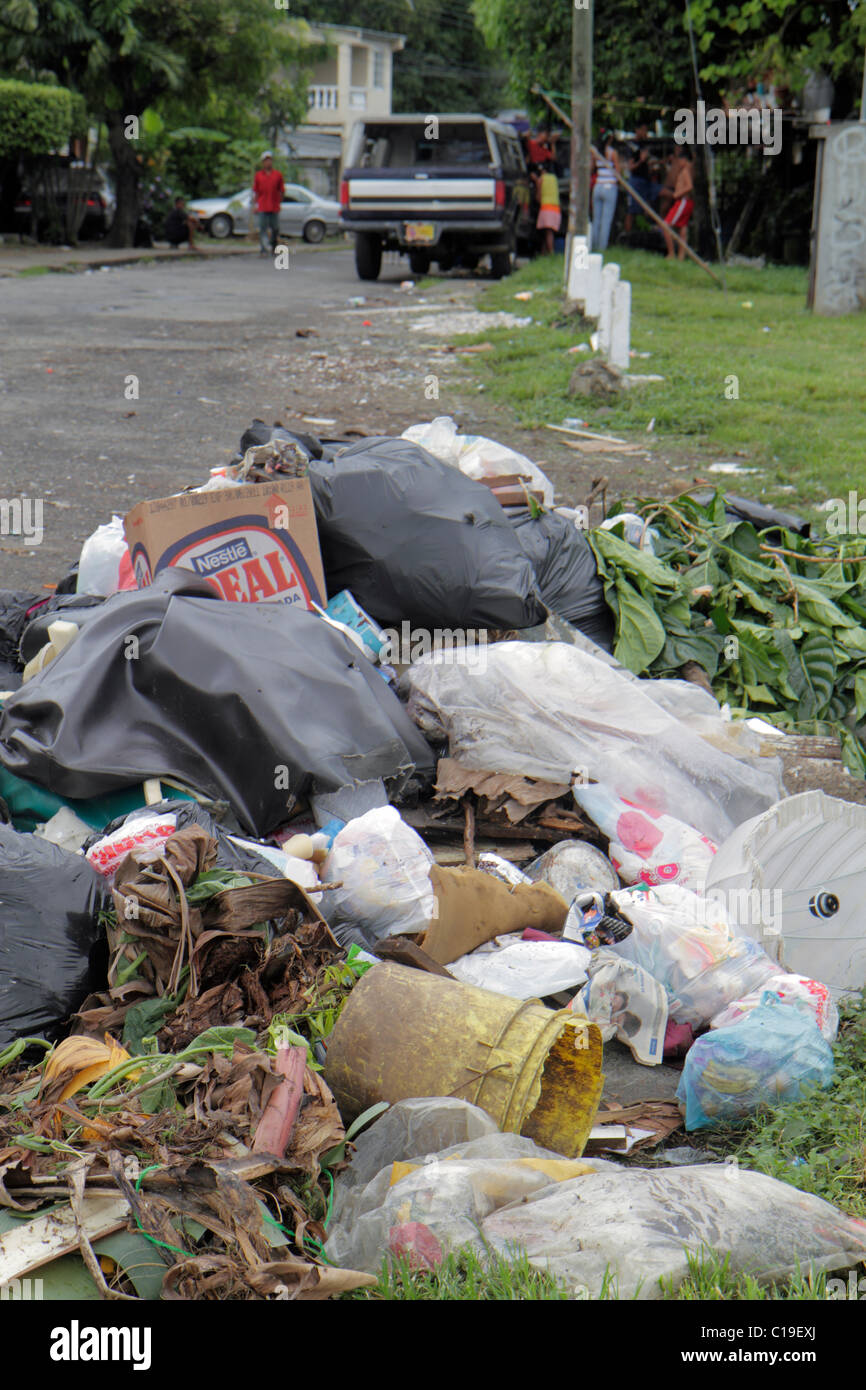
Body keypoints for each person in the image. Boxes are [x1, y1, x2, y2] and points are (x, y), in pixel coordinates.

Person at [624, 122, 658, 234]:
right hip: (636, 181)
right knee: (631, 210)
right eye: (643, 130)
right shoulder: (632, 146)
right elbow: (631, 167)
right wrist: (641, 161)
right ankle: (627, 235)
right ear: (637, 130)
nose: (645, 133)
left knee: (645, 207)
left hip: (645, 180)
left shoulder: (645, 145)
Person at [662, 148, 694, 259]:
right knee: (682, 229)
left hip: (683, 201)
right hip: (686, 202)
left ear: (684, 160)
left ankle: (671, 253)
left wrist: (677, 194)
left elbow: (689, 186)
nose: (679, 164)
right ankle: (681, 256)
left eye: (680, 161)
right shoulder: (689, 169)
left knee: (665, 225)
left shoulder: (686, 171)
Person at [590, 132, 620, 251]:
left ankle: (594, 245)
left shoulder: (595, 153)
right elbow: (617, 172)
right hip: (609, 186)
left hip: (598, 186)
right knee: (606, 220)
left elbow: (592, 169)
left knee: (596, 219)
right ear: (610, 139)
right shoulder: (612, 152)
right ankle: (602, 248)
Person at [253, 151, 284, 256]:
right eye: (266, 160)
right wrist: (255, 205)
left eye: (269, 160)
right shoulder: (258, 176)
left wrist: (279, 202)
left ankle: (273, 246)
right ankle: (263, 249)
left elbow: (281, 190)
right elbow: (256, 191)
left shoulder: (277, 175)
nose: (268, 162)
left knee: (275, 228)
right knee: (262, 229)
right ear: (263, 162)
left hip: (274, 206)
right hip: (262, 206)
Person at [532, 162, 561, 254]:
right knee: (548, 232)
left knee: (548, 232)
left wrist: (536, 181)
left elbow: (538, 198)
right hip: (556, 209)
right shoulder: (554, 179)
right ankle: (544, 253)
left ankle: (551, 253)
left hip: (546, 208)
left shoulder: (540, 180)